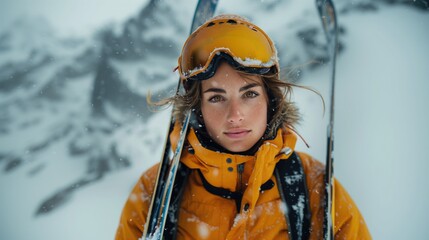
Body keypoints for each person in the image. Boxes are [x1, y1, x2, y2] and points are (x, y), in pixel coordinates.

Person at [115, 14, 371, 240]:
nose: (235, 115)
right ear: (198, 109)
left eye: (249, 94)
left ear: (270, 99)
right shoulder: (155, 192)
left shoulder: (315, 188)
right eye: (216, 98)